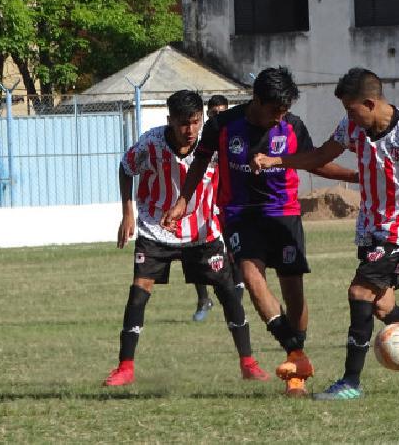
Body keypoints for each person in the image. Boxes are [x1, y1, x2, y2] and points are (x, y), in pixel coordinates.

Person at [251, 67, 399, 400]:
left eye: (351, 109)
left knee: (360, 293)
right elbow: (320, 156)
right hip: (371, 226)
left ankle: (351, 382)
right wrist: (276, 160)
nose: (348, 116)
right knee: (381, 306)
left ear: (370, 102)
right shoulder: (353, 125)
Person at [162, 67, 359, 397]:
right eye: (275, 111)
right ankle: (296, 358)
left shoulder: (292, 126)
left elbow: (312, 161)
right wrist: (183, 200)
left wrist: (358, 177)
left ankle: (296, 361)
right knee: (253, 281)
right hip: (240, 214)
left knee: (293, 293)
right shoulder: (223, 125)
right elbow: (200, 162)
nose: (280, 117)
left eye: (285, 111)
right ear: (257, 100)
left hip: (284, 213)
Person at [102, 90, 270, 386]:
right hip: (157, 227)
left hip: (202, 230)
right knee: (139, 291)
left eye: (195, 122)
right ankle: (125, 368)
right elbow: (126, 168)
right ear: (169, 121)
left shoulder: (213, 144)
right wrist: (127, 213)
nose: (190, 130)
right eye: (183, 124)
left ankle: (248, 362)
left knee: (229, 292)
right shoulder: (151, 143)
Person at [190, 94, 232, 322]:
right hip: (203, 203)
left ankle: (236, 291)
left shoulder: (235, 133)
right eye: (214, 113)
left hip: (228, 201)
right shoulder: (202, 137)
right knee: (196, 250)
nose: (218, 117)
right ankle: (203, 298)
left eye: (222, 112)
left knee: (234, 249)